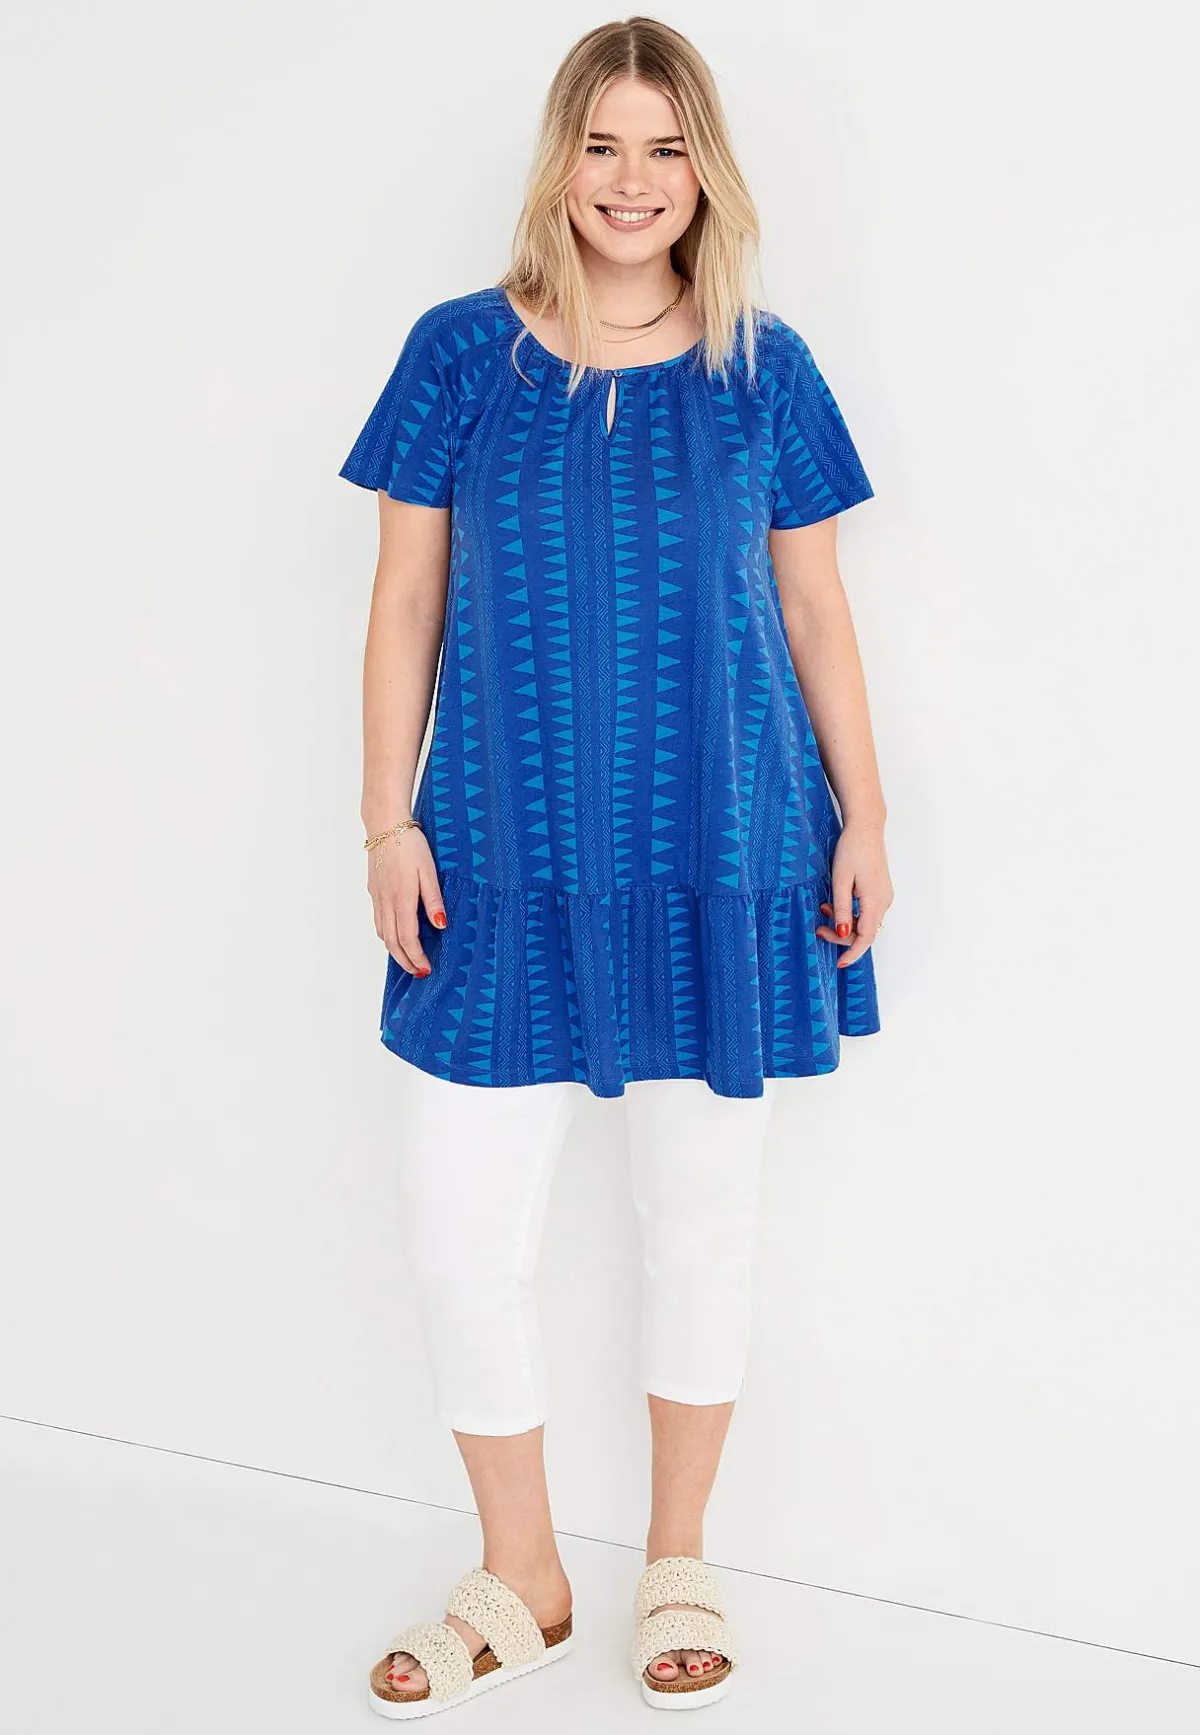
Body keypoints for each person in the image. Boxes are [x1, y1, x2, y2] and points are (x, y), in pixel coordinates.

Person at [338, 15, 893, 1719]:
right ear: (558, 161)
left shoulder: (765, 368)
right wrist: (385, 820)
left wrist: (867, 814)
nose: (632, 181)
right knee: (457, 1230)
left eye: (665, 149)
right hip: (499, 861)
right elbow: (406, 603)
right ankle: (523, 1572)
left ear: (705, 172)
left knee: (699, 1228)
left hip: (724, 850)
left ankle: (679, 1554)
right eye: (602, 145)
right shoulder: (458, 354)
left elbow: (813, 609)